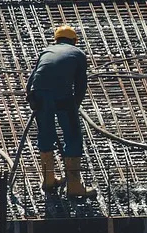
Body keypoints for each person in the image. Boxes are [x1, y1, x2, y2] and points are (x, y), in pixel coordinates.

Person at [26, 25, 96, 198]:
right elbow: (80, 85)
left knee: (45, 134)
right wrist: (75, 106)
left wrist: (32, 99)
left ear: (56, 40)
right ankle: (73, 186)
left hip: (39, 94)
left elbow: (32, 78)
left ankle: (49, 180)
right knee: (72, 136)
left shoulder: (46, 50)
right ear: (74, 41)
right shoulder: (78, 54)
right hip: (62, 96)